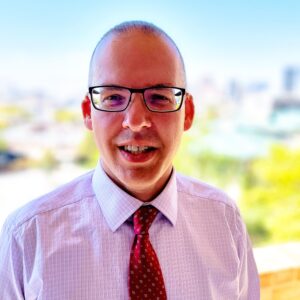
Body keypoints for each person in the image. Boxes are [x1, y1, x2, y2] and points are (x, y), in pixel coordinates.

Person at [0, 21, 260, 299]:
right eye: (113, 97)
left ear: (187, 113)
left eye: (159, 97)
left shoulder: (223, 220)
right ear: (88, 112)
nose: (135, 122)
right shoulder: (28, 238)